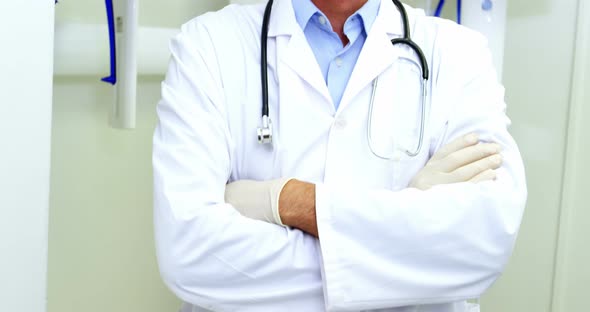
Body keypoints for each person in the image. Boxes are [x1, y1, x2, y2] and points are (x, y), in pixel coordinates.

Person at [152, 0, 527, 311]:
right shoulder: (209, 45)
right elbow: (189, 252)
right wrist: (408, 227)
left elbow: (482, 244)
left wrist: (289, 201)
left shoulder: (460, 53)